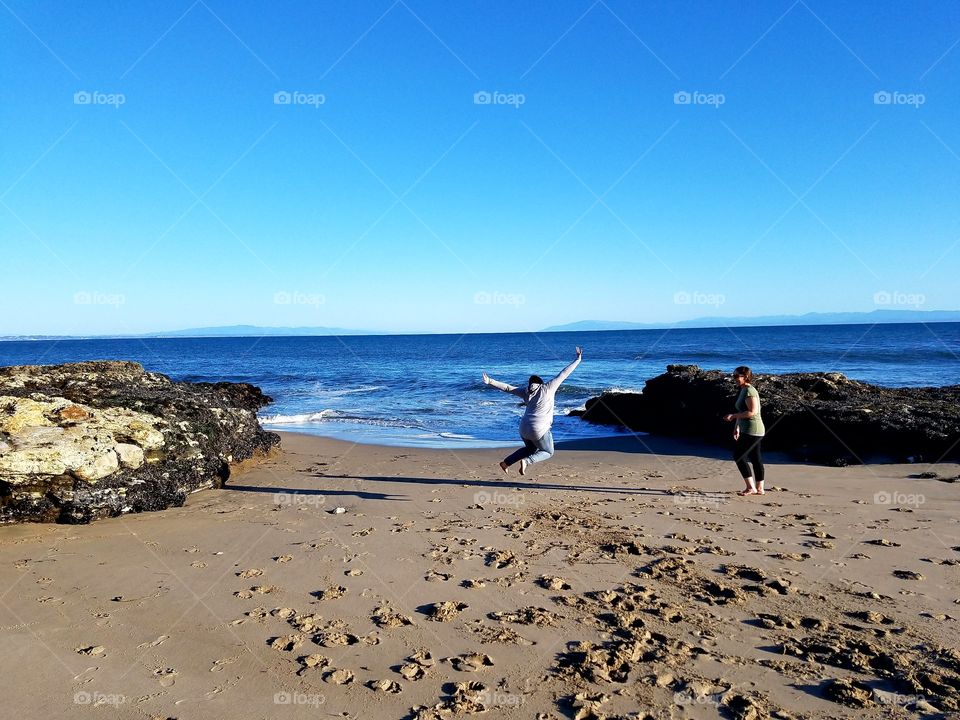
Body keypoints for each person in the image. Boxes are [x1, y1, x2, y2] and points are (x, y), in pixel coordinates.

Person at [482, 347, 582, 476]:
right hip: (538, 428)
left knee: (530, 448)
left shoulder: (525, 392)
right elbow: (564, 373)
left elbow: (508, 388)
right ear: (541, 383)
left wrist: (490, 381)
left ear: (530, 384)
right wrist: (578, 359)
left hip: (523, 428)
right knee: (548, 451)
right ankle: (527, 461)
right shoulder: (547, 388)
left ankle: (506, 463)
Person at [723, 366, 766, 495]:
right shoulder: (743, 390)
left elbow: (752, 412)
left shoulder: (749, 391)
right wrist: (737, 426)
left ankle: (750, 488)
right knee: (755, 457)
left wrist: (733, 416)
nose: (734, 379)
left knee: (739, 456)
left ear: (745, 377)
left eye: (736, 376)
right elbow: (742, 411)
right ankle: (759, 488)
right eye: (733, 376)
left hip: (753, 429)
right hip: (749, 429)